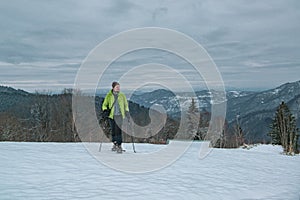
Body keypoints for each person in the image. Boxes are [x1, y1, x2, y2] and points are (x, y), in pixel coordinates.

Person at [102, 81, 129, 153]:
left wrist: (127, 112)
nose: (118, 88)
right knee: (113, 131)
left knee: (118, 130)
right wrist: (105, 110)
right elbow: (104, 104)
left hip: (120, 116)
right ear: (113, 88)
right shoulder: (109, 95)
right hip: (112, 116)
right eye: (117, 87)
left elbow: (126, 105)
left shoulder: (122, 95)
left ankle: (119, 145)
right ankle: (115, 144)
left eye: (119, 87)